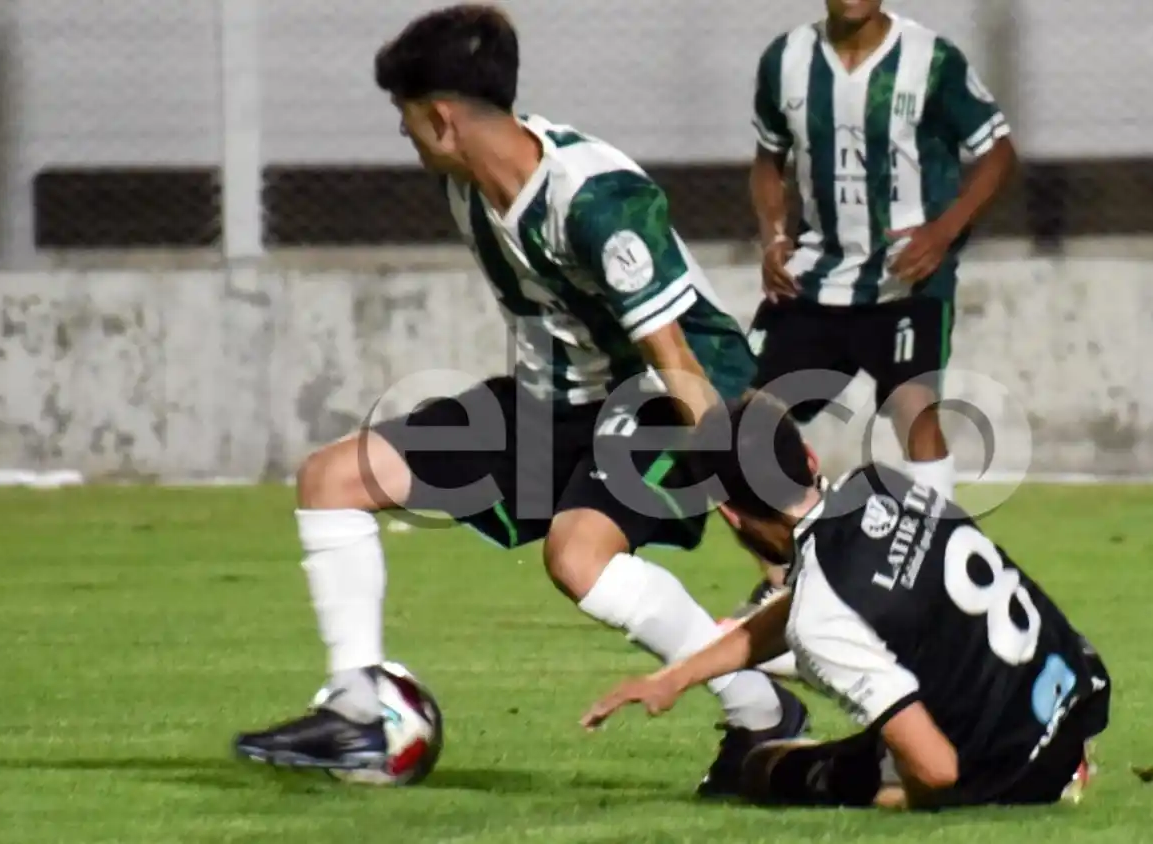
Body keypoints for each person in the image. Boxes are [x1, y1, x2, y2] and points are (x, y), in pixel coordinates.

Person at [232, 4, 807, 798]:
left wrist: (743, 492)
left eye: (404, 119)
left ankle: (757, 708)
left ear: (440, 118)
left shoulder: (595, 200)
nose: (402, 139)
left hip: (669, 393)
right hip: (557, 401)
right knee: (333, 478)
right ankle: (361, 709)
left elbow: (672, 354)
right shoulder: (474, 184)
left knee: (578, 558)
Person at [582, 393, 1111, 810]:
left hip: (1011, 768)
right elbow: (801, 609)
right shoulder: (883, 484)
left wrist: (906, 804)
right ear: (809, 457)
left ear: (731, 518)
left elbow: (936, 770)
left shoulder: (822, 613)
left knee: (764, 770)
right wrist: (677, 676)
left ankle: (1022, 779)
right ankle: (1062, 761)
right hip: (1071, 697)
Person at [746, 0, 1018, 512]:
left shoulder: (931, 60)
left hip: (905, 277)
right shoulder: (785, 60)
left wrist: (942, 233)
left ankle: (937, 555)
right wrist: (774, 235)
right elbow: (767, 159)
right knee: (748, 423)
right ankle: (801, 557)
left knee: (912, 404)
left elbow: (998, 152)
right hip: (814, 276)